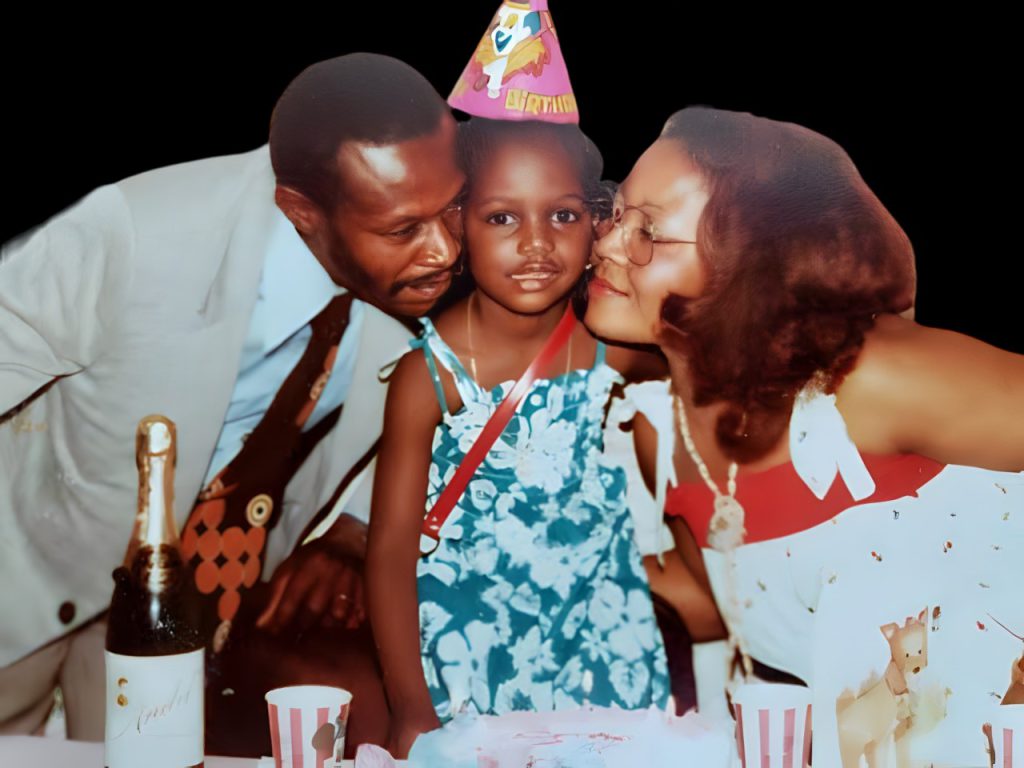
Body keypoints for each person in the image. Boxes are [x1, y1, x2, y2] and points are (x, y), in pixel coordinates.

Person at [0, 53, 465, 755]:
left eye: (452, 207)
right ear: (302, 212)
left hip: (194, 638)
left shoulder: (400, 329)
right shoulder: (136, 234)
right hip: (23, 605)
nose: (446, 249)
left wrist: (353, 529)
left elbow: (461, 416)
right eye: (404, 230)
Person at [584, 105, 1024, 764]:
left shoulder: (867, 378)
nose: (607, 244)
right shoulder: (660, 433)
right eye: (616, 214)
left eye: (648, 231)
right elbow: (727, 615)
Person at [366, 115, 671, 758]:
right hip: (469, 658)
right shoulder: (431, 377)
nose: (536, 245)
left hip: (602, 649)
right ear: (456, 228)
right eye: (503, 218)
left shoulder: (613, 351)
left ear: (596, 225)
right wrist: (409, 705)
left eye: (561, 216)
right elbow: (391, 550)